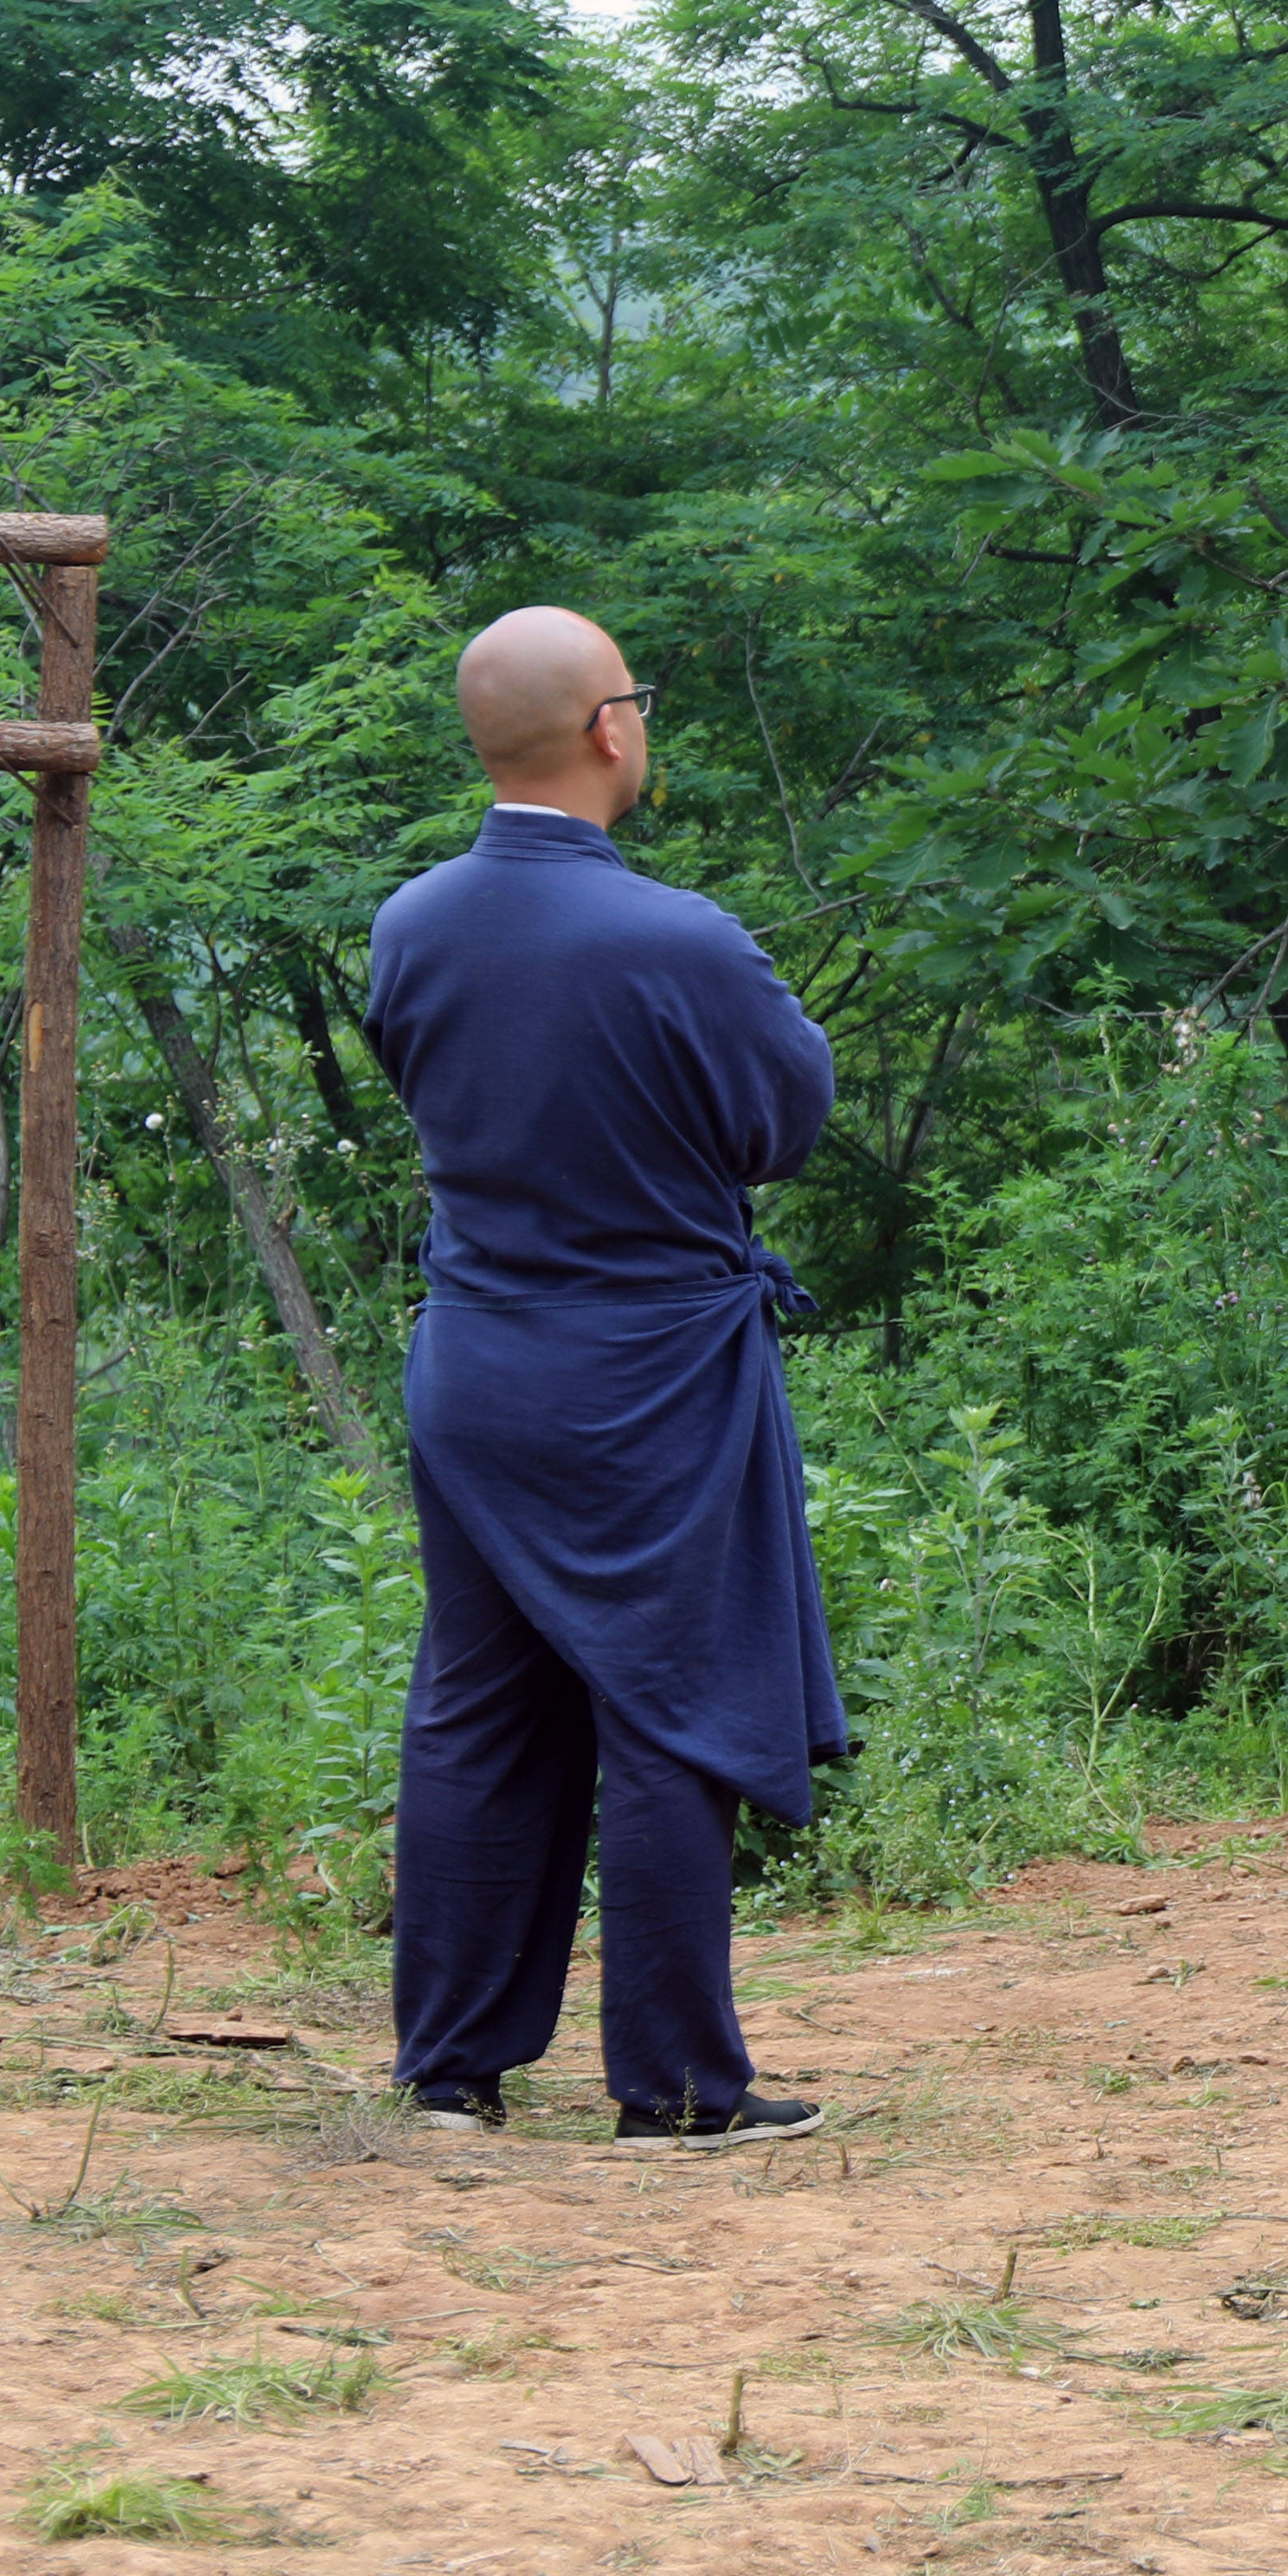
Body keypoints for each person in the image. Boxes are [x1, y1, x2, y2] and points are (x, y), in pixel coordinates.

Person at [362, 607, 839, 2147]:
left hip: (478, 1362)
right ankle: (682, 2087)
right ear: (610, 729)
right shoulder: (681, 940)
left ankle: (449, 2071)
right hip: (647, 1378)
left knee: (478, 1703)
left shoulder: (411, 924)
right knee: (667, 1704)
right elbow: (781, 1126)